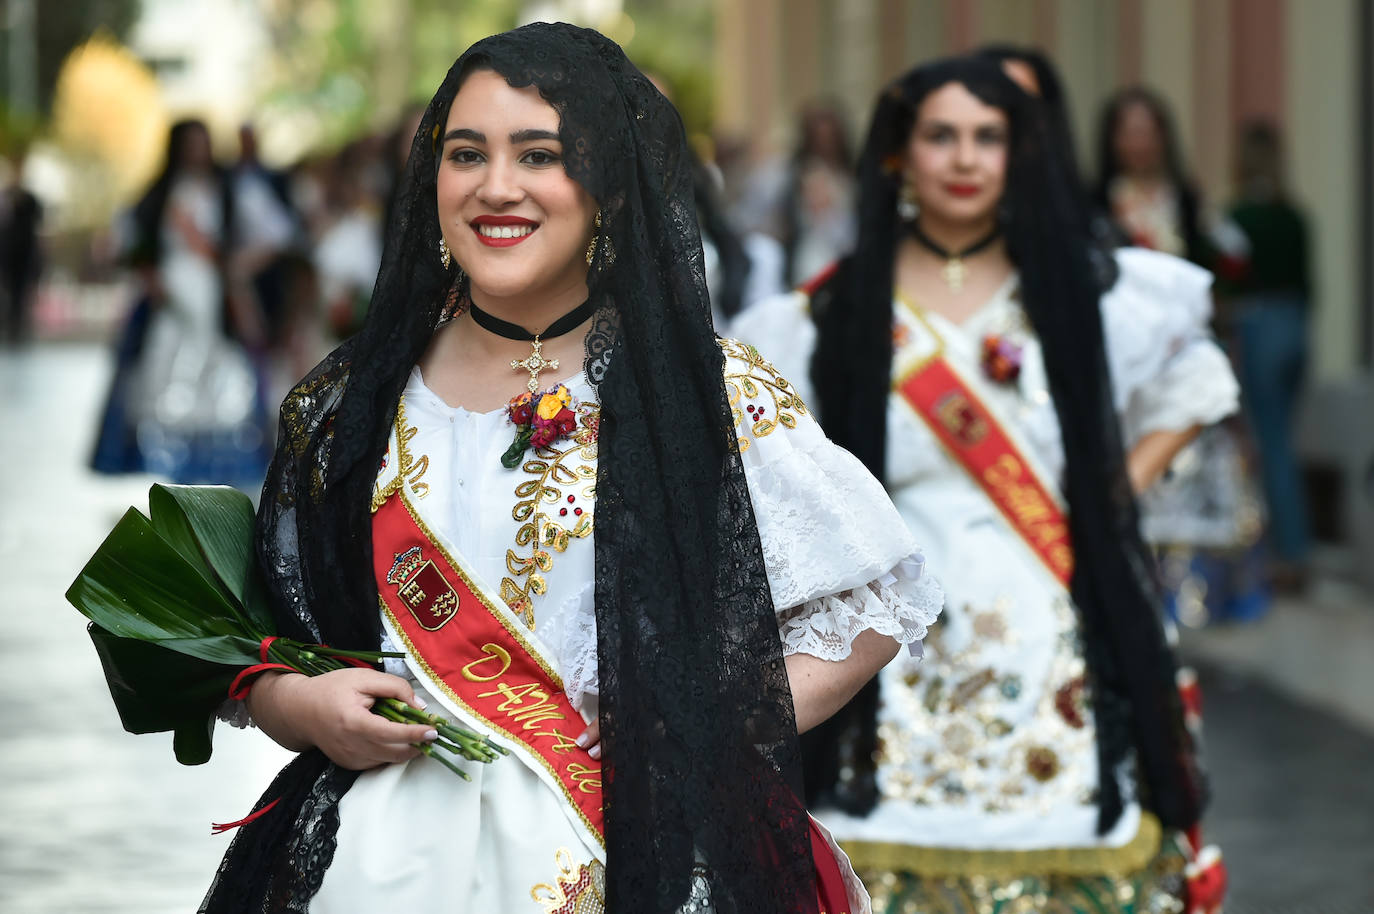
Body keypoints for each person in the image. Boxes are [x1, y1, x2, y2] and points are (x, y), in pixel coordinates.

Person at [200, 23, 941, 914]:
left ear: (611, 186)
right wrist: (298, 709)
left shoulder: (706, 394)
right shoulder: (346, 404)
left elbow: (866, 609)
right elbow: (261, 642)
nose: (496, 187)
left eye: (540, 155)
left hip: (640, 850)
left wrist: (698, 716)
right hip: (373, 859)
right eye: (465, 153)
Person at [734, 56, 1235, 913]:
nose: (965, 159)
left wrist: (1108, 501)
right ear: (899, 152)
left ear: (1020, 154)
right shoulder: (832, 312)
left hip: (1050, 623)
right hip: (893, 643)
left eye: (988, 137)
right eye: (941, 136)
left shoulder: (1081, 291)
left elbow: (1196, 381)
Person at [92, 119, 268, 484]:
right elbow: (125, 239)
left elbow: (272, 232)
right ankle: (166, 465)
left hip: (212, 297)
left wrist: (236, 267)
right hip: (170, 298)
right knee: (164, 374)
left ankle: (212, 470)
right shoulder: (160, 193)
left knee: (215, 375)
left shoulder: (228, 189)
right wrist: (148, 275)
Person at [1216, 120, 1313, 591]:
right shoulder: (1295, 216)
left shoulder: (1241, 218)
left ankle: (1286, 556)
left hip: (1260, 323)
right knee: (1285, 442)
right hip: (1296, 325)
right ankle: (1293, 549)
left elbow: (1231, 276)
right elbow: (1310, 283)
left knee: (1269, 445)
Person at [1093, 87, 1208, 265]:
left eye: (1147, 133)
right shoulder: (1097, 199)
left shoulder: (1185, 197)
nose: (1139, 144)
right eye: (1130, 134)